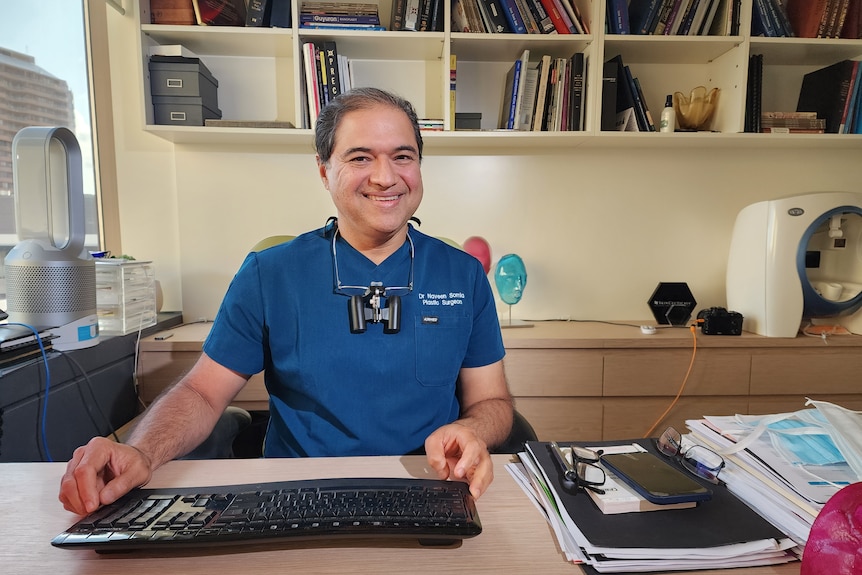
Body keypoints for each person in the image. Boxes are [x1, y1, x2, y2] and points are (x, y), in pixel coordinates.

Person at [59, 87, 514, 516]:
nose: (385, 176)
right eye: (360, 157)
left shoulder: (464, 275)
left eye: (402, 156)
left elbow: (492, 401)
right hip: (299, 492)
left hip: (430, 485)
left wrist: (473, 430)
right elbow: (202, 391)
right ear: (324, 171)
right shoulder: (269, 274)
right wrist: (141, 451)